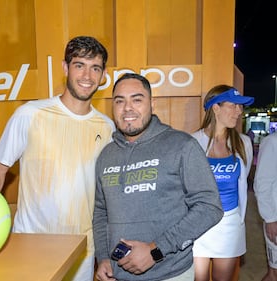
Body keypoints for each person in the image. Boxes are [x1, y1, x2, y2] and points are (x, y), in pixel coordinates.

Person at [0, 36, 115, 281]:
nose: (87, 76)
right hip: (31, 244)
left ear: (103, 74)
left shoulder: (108, 128)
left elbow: (109, 197)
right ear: (65, 68)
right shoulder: (30, 114)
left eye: (95, 68)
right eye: (79, 65)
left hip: (82, 249)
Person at [93, 73, 223, 281]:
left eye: (137, 99)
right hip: (117, 275)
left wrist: (156, 250)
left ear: (152, 104)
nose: (127, 108)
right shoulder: (106, 155)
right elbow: (101, 212)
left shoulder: (182, 145)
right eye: (120, 101)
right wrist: (102, 257)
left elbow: (210, 207)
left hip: (169, 274)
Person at [191, 85, 255, 281]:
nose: (239, 111)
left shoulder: (243, 143)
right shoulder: (192, 142)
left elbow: (242, 184)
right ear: (215, 108)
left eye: (241, 107)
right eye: (234, 106)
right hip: (199, 224)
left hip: (229, 224)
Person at [254, 132, 277, 281]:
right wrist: (270, 218)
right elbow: (262, 183)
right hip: (275, 215)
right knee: (274, 274)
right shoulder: (272, 142)